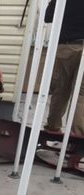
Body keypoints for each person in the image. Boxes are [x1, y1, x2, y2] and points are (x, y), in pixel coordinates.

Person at [44, 0, 84, 137]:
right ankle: (77, 137)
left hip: (66, 46)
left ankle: (53, 129)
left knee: (60, 90)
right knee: (81, 93)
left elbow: (48, 17)